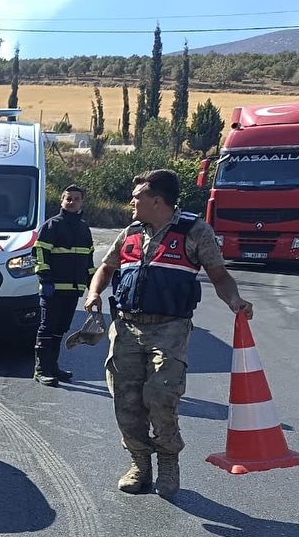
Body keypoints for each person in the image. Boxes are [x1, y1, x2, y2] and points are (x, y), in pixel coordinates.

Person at [84, 168, 253, 499]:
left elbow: (219, 275)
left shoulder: (194, 231)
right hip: (127, 327)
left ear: (156, 200)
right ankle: (139, 465)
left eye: (137, 197)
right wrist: (94, 293)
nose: (132, 201)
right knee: (126, 402)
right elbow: (105, 268)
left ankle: (168, 462)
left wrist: (235, 300)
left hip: (170, 328)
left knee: (162, 397)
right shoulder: (131, 232)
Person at [33, 184, 95, 386]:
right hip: (53, 289)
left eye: (76, 199)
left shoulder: (84, 228)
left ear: (81, 202)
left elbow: (89, 259)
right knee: (47, 328)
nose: (72, 202)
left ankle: (53, 367)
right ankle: (41, 369)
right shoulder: (52, 225)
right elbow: (40, 253)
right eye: (68, 198)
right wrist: (45, 279)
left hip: (73, 291)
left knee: (60, 329)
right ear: (62, 201)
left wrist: (93, 287)